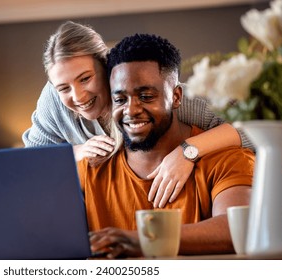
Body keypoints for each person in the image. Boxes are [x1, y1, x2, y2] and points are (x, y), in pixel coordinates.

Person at [22, 21, 254, 208]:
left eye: (85, 78)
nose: (79, 96)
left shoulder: (164, 99)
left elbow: (255, 126)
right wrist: (75, 152)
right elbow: (30, 162)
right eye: (63, 87)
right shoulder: (54, 100)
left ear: (107, 69)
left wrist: (187, 152)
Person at [78, 33, 255, 258]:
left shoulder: (227, 159)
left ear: (177, 96)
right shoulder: (90, 170)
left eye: (146, 96)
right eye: (120, 100)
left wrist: (140, 239)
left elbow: (237, 229)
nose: (131, 110)